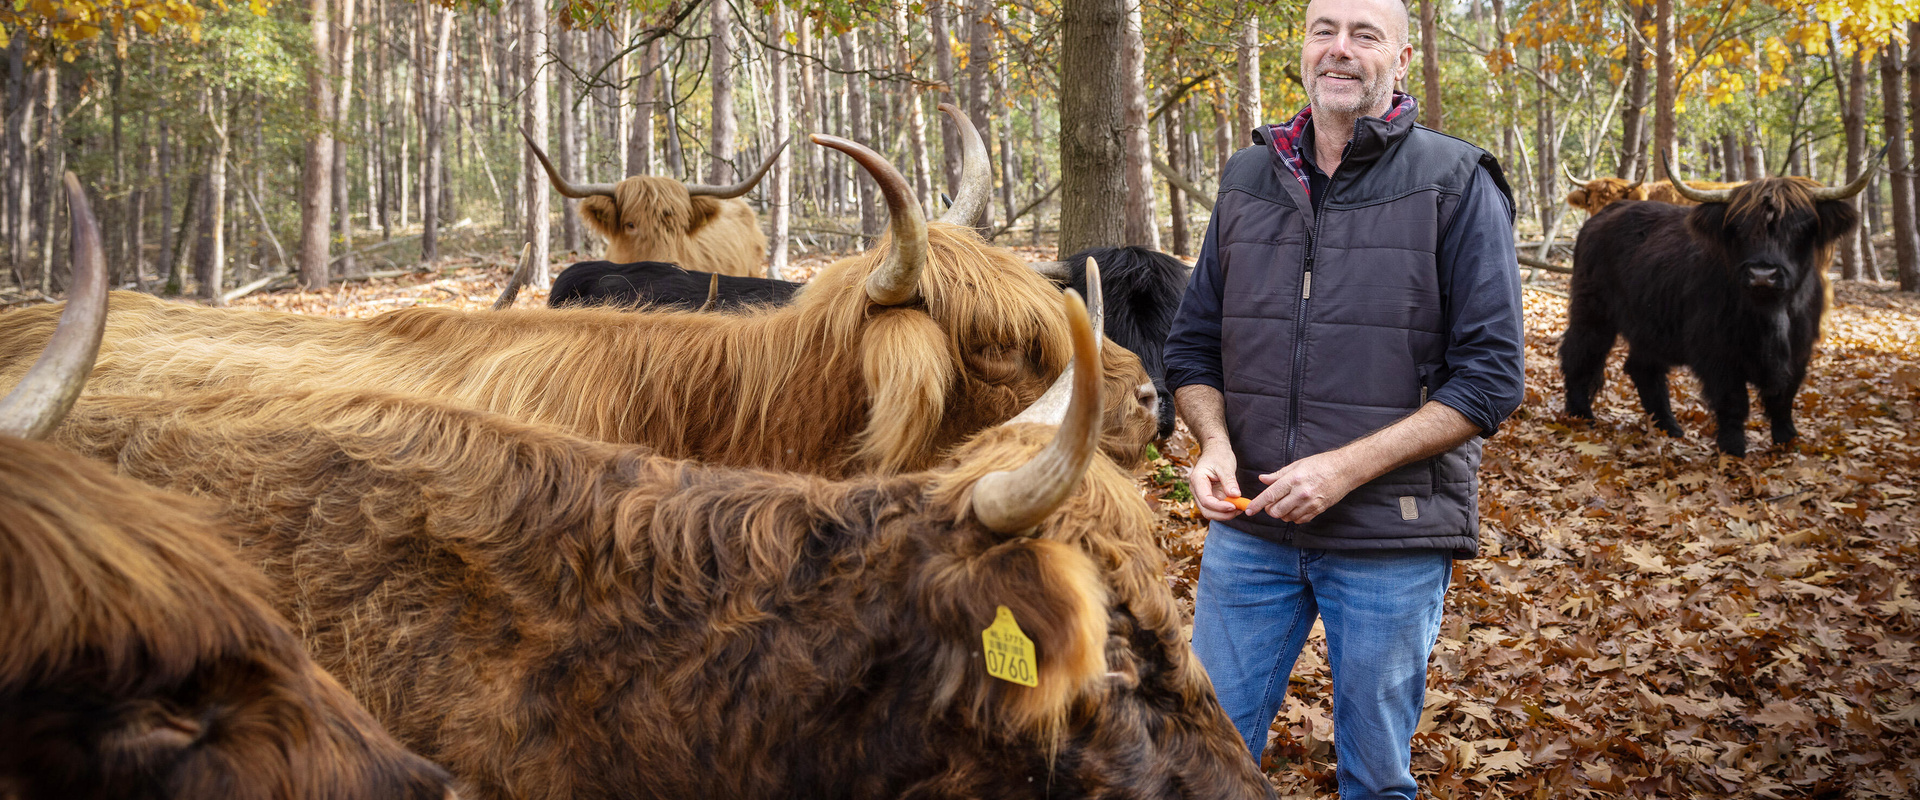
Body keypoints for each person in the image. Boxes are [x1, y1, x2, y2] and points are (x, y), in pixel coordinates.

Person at [1161, 0, 1524, 796]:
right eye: (1325, 30)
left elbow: (1491, 378)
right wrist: (1214, 444)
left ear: (1400, 57)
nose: (1340, 50)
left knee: (1373, 778)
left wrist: (1345, 469)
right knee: (1202, 763)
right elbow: (1190, 349)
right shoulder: (1249, 176)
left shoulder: (1456, 180)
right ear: (1303, 48)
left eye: (1365, 35)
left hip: (1388, 538)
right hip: (1250, 529)